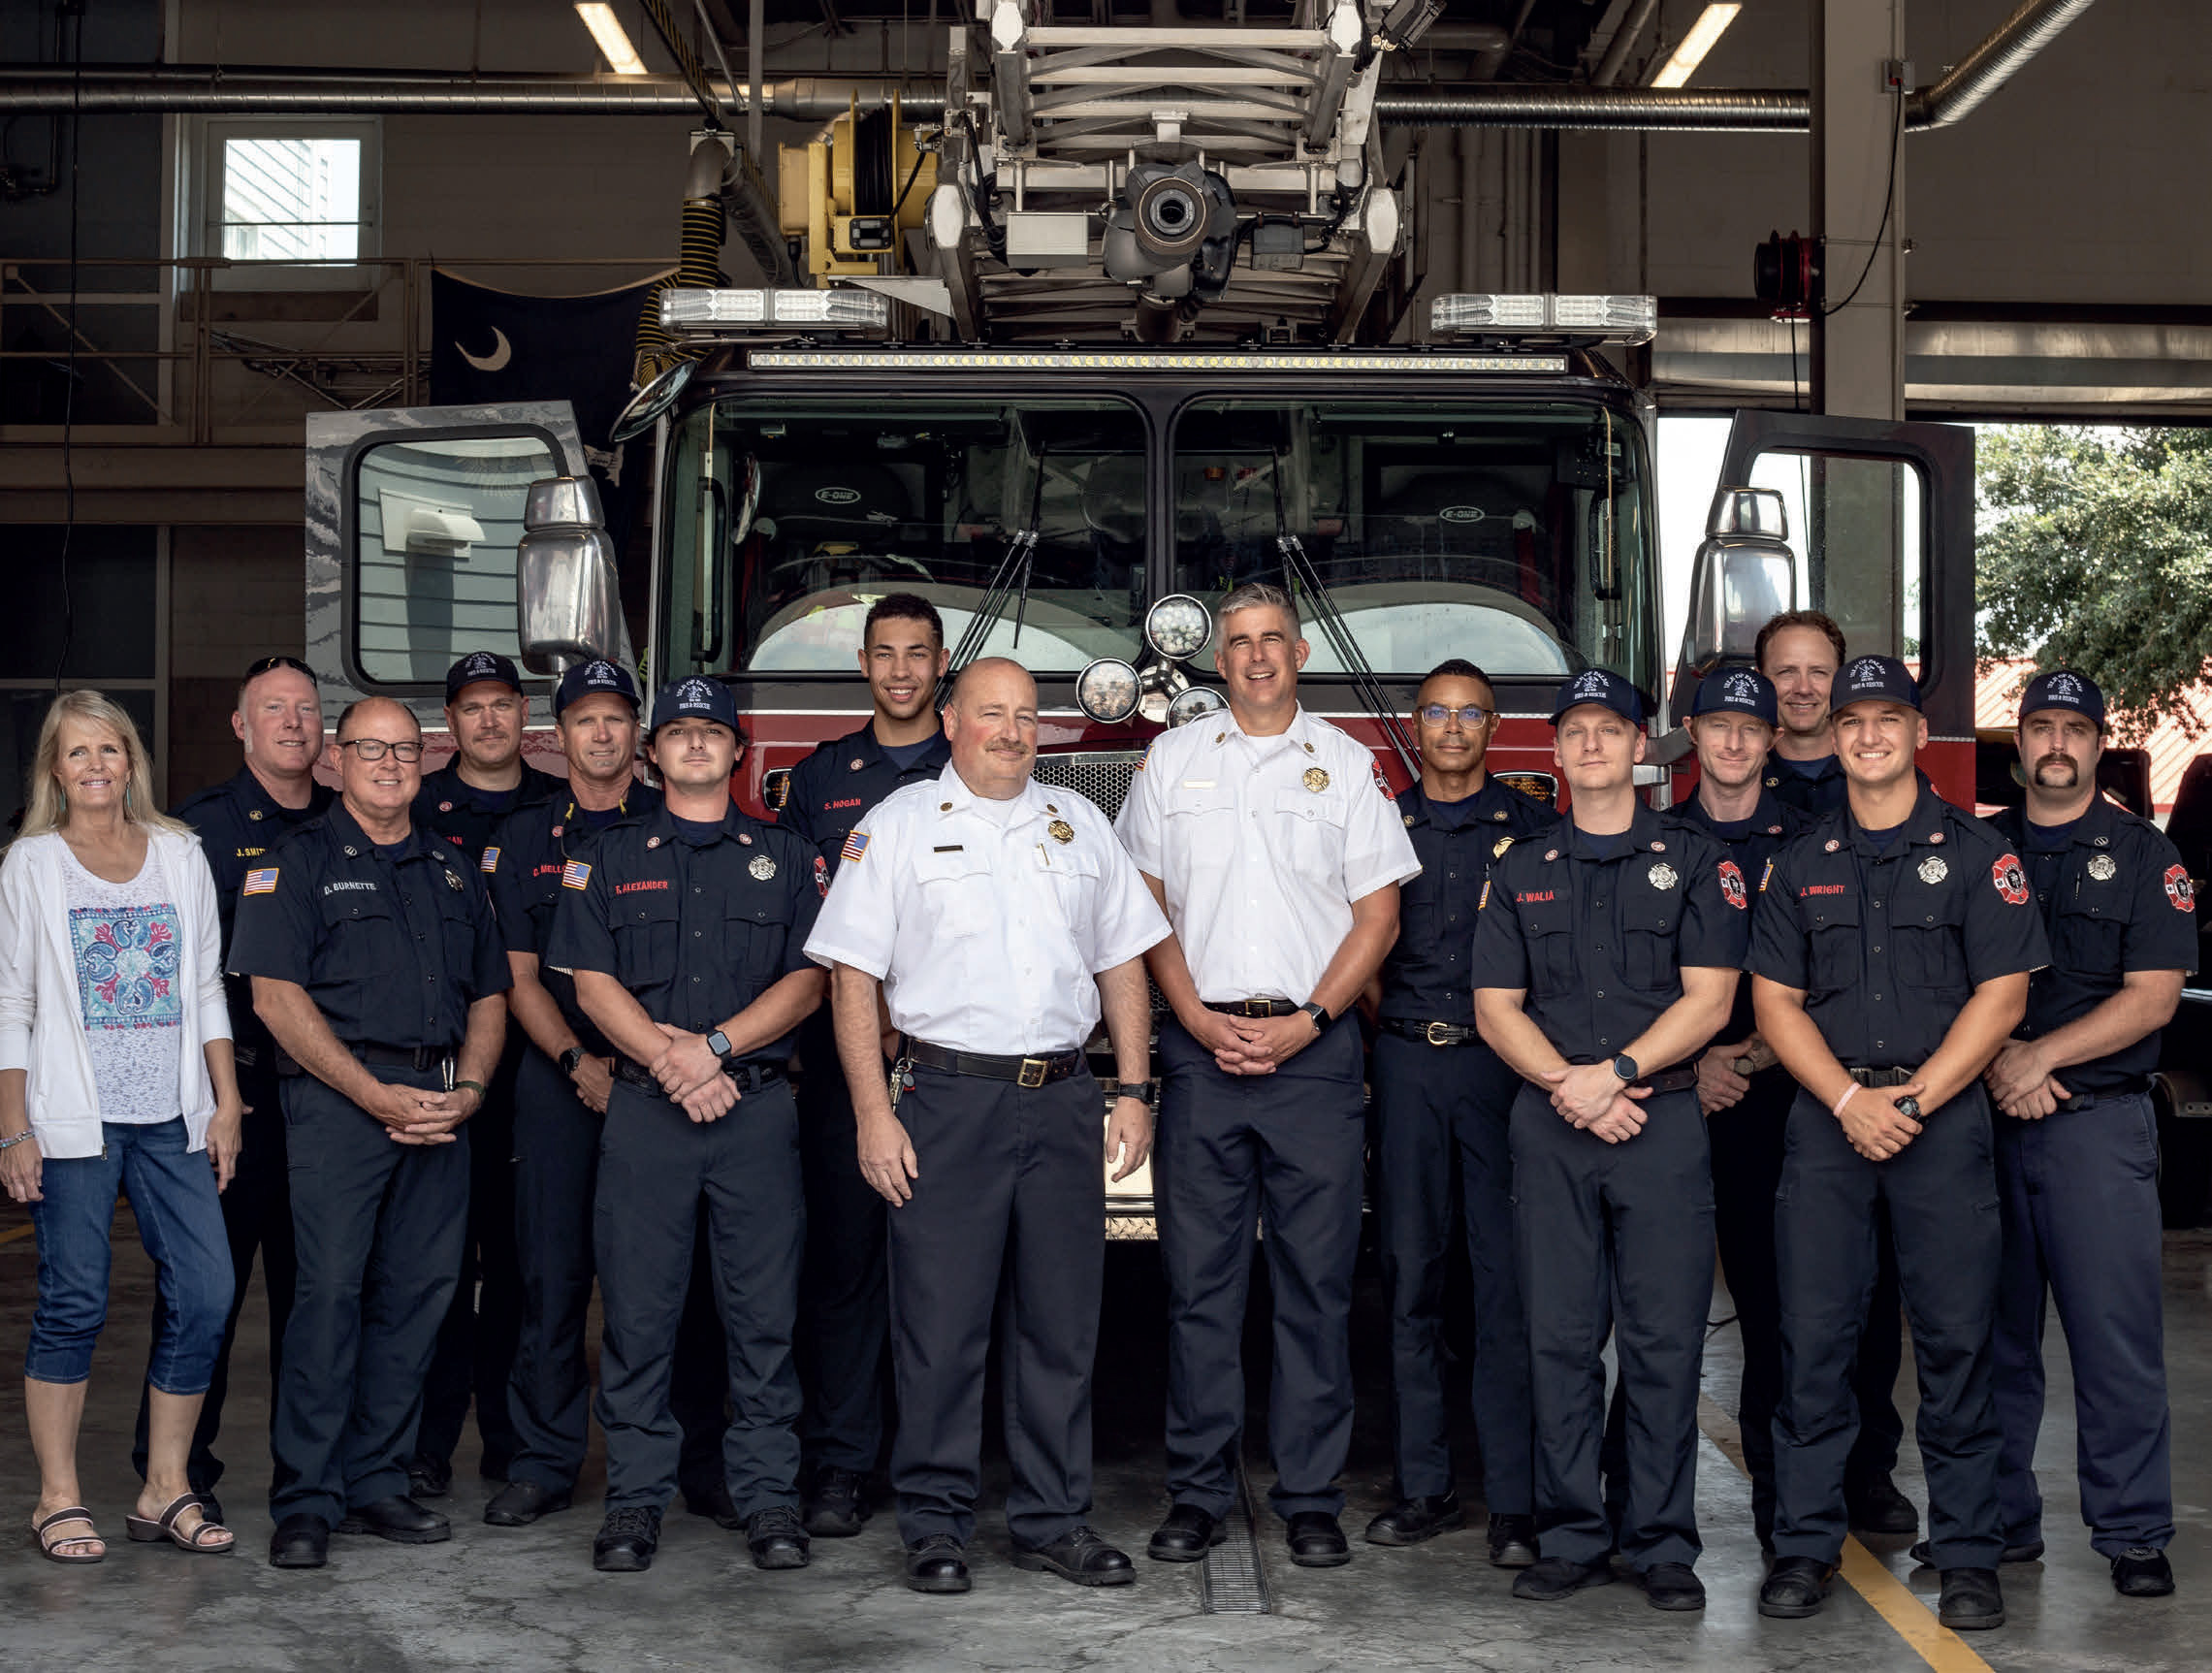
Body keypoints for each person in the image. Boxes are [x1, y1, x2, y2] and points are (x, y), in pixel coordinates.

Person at [807, 657, 1167, 1593]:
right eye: (990, 713)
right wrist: (873, 1113)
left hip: (1059, 1099)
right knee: (940, 1324)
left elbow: (1123, 960)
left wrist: (1132, 1088)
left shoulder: (1080, 821)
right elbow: (853, 976)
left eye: (1023, 716)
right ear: (952, 720)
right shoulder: (893, 828)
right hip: (945, 1099)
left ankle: (1054, 1518)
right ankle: (935, 1524)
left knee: (1060, 1324)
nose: (1010, 730)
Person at [1114, 582, 1420, 1570]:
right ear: (1219, 658)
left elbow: (1378, 916)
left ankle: (1310, 1498)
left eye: (1270, 641)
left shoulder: (1344, 764)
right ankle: (1198, 1495)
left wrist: (1311, 1021)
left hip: (1314, 1062)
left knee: (1313, 1289)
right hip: (1200, 1057)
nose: (1253, 657)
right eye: (1237, 642)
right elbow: (1142, 903)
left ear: (1298, 654)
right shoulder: (1170, 760)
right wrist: (1193, 1016)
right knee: (1198, 1289)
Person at [1750, 655, 2045, 1632]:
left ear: (1916, 734)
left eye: (1887, 719)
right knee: (1815, 1346)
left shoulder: (1974, 855)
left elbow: (2002, 995)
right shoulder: (1797, 863)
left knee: (1957, 1345)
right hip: (1830, 1124)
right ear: (1830, 739)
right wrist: (1846, 1101)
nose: (1868, 736)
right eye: (1851, 722)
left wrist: (1914, 1100)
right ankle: (1802, 1548)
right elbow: (1774, 1004)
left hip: (1940, 1119)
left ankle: (1967, 1555)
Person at [1469, 667, 1742, 1613]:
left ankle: (1661, 1543)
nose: (1591, 744)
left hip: (1659, 1121)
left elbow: (1711, 998)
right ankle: (1571, 1534)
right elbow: (1494, 1007)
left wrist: (1615, 1076)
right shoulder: (1519, 870)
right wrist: (1568, 1086)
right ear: (1554, 750)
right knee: (1558, 1341)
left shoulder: (1694, 860)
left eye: (1609, 729)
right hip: (1551, 1126)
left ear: (1641, 746)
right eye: (1574, 730)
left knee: (1665, 1345)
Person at [546, 676, 824, 1575]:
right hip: (645, 1115)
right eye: (679, 733)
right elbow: (592, 984)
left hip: (753, 1111)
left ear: (738, 751)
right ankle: (634, 1500)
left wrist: (711, 1046)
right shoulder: (602, 854)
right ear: (651, 752)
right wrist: (675, 1064)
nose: (696, 745)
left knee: (764, 1316)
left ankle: (769, 1497)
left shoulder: (785, 858)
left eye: (712, 732)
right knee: (637, 1312)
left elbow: (810, 980)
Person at [230, 696, 511, 1570]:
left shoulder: (455, 870)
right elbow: (276, 1000)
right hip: (338, 1104)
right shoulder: (294, 863)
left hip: (438, 1102)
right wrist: (372, 1094)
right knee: (327, 1298)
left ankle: (376, 1480)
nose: (389, 764)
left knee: (419, 1298)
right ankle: (307, 1497)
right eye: (369, 748)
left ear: (423, 761)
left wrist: (466, 1090)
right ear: (335, 761)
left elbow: (490, 997)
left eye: (403, 749)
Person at [478, 658, 729, 1529]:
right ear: (560, 736)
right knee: (549, 1272)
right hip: (560, 1078)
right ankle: (545, 1459)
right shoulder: (522, 836)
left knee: (683, 1278)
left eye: (618, 718)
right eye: (584, 719)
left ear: (641, 739)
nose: (601, 733)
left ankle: (700, 1459)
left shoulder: (680, 822)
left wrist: (652, 1065)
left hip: (669, 1083)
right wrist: (575, 1062)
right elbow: (518, 975)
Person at [0, 691, 243, 1561]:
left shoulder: (180, 852)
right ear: (54, 772)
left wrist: (225, 1102)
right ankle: (57, 1497)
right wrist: (13, 1125)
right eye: (77, 753)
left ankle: (164, 1485)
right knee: (73, 1299)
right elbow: (12, 1002)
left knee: (209, 1291)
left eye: (110, 749)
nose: (96, 765)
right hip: (75, 1121)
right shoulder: (31, 863)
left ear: (131, 762)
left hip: (172, 1113)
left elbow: (208, 986)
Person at [1982, 670, 2190, 1598]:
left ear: (2098, 744)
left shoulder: (2148, 856)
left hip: (2096, 1132)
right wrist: (2002, 1067)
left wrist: (2040, 1061)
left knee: (2114, 1340)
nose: (2056, 744)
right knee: (1988, 1338)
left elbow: (2151, 998)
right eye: (2040, 728)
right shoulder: (1973, 848)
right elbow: (1943, 985)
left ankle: (2135, 1533)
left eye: (2074, 729)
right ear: (2018, 743)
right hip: (1982, 1123)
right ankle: (1996, 1521)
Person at [132, 655, 332, 1527]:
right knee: (205, 1291)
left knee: (315, 1295)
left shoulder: (348, 820)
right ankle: (173, 1468)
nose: (293, 722)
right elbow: (177, 981)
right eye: (273, 709)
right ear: (241, 727)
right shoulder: (194, 834)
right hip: (235, 1102)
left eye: (306, 708)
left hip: (328, 1100)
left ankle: (307, 1479)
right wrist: (205, 1098)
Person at [1363, 659, 1555, 1565]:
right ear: (1414, 721)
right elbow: (1354, 955)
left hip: (1500, 1074)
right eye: (1435, 712)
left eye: (1469, 714)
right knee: (1410, 1279)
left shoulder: (1532, 829)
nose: (1450, 728)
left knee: (1505, 1282)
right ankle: (1425, 1486)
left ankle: (1514, 1500)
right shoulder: (1376, 825)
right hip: (1404, 1062)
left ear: (1493, 726)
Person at [775, 593, 951, 1537]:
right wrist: (867, 1023)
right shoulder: (820, 778)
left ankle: (944, 1461)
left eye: (916, 654)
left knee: (947, 1277)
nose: (898, 671)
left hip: (951, 1061)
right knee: (843, 1268)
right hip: (849, 1062)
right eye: (883, 654)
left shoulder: (974, 768)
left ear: (940, 663)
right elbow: (814, 932)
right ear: (863, 664)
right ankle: (842, 1465)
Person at [1754, 608, 1914, 1539]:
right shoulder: (1736, 784)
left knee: (1876, 1293)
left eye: (1820, 671)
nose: (1803, 687)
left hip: (1864, 1089)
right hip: (1749, 1083)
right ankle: (1783, 1484)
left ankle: (1870, 1472)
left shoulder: (1882, 784)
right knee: (1790, 1296)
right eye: (1785, 672)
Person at [410, 650, 564, 1496]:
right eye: (472, 707)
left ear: (524, 714)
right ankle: (428, 1444)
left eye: (504, 704)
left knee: (517, 1269)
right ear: (450, 723)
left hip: (527, 1077)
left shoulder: (554, 804)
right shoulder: (422, 808)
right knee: (434, 1268)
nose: (490, 720)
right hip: (442, 1067)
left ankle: (510, 1443)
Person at [1668, 665, 1803, 1552]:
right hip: (1671, 1102)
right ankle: (1642, 1509)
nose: (1732, 742)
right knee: (1655, 1314)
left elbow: (1831, 981)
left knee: (1770, 1304)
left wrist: (1742, 1057)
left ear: (1769, 741)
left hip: (1772, 1102)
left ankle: (1778, 1510)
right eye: (1717, 725)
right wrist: (1694, 1067)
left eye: (1748, 730)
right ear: (1693, 731)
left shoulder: (1808, 843)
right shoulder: (1652, 838)